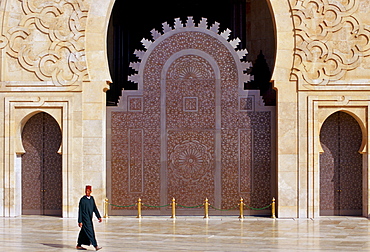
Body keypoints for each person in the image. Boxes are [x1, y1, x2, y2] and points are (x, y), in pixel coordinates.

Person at [76, 185, 102, 251]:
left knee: (83, 232)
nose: (87, 192)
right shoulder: (82, 200)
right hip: (85, 219)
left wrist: (98, 217)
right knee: (91, 232)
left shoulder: (92, 199)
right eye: (86, 191)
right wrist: (80, 221)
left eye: (88, 191)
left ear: (90, 191)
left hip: (89, 218)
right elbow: (80, 211)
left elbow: (94, 208)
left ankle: (79, 245)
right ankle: (95, 246)